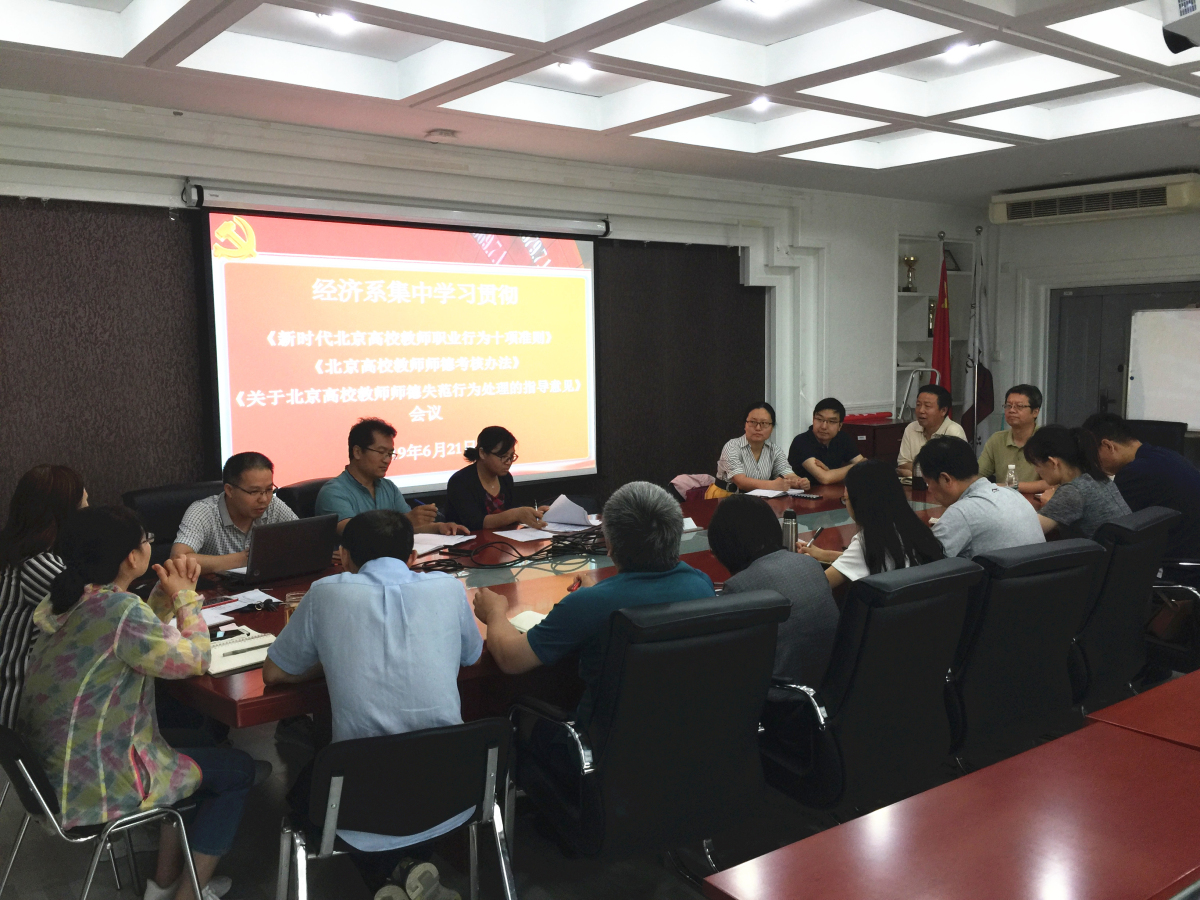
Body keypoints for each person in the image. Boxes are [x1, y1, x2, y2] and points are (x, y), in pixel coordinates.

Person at [20, 506, 262, 900]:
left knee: (198, 740)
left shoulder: (69, 600)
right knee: (238, 770)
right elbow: (196, 659)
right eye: (146, 539)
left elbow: (132, 639)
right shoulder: (118, 610)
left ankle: (162, 885)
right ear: (132, 557)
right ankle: (188, 894)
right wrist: (186, 599)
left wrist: (161, 600)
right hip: (97, 783)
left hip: (54, 771)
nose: (151, 544)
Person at [263, 509, 481, 897]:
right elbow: (471, 655)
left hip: (361, 793)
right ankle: (408, 871)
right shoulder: (448, 588)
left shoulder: (325, 593)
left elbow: (274, 673)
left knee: (304, 795)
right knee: (387, 780)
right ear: (412, 557)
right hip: (450, 786)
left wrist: (333, 657)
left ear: (344, 557)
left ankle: (391, 873)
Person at [472, 481, 714, 731]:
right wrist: (595, 595)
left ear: (609, 545)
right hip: (688, 734)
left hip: (602, 741)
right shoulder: (700, 586)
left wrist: (494, 612)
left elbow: (511, 659)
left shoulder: (586, 605)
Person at [707, 494, 839, 686]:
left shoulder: (738, 588)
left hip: (784, 694)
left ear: (723, 548)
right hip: (833, 682)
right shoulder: (809, 563)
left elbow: (731, 659)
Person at [0, 465, 87, 729]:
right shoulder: (38, 565)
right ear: (65, 515)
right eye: (84, 507)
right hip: (13, 709)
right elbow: (102, 617)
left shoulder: (13, 552)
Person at [800, 459, 945, 589]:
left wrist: (803, 565)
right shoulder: (916, 530)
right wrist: (824, 554)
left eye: (845, 499)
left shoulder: (868, 541)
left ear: (860, 504)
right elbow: (870, 557)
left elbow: (817, 588)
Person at [315, 418, 468, 536]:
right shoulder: (334, 492)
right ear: (357, 452)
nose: (387, 460)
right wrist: (405, 520)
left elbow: (410, 527)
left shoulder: (388, 487)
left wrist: (439, 528)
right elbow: (354, 532)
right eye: (381, 452)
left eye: (390, 454)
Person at [1082, 412, 1200, 559]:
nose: (1093, 464)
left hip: (1176, 564)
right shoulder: (1165, 455)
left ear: (1107, 446)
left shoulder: (1134, 473)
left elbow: (1103, 528)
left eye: (1092, 455)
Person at [915, 436, 1044, 559]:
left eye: (928, 483)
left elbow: (920, 561)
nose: (929, 490)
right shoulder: (1013, 494)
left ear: (945, 479)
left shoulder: (962, 512)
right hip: (1039, 574)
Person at [171, 452, 297, 574]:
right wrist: (242, 560)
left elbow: (302, 540)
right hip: (215, 587)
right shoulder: (203, 511)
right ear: (229, 490)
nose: (264, 499)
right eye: (254, 492)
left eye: (269, 489)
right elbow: (178, 559)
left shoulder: (272, 505)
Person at [1022, 425, 1130, 539]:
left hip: (1096, 550)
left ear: (1052, 462)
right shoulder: (1099, 479)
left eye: (1037, 465)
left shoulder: (1073, 491)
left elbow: (1027, 531)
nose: (1036, 470)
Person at [444, 426, 548, 531]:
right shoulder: (460, 481)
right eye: (503, 456)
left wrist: (534, 514)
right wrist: (516, 514)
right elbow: (476, 523)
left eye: (511, 457)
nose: (508, 462)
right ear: (482, 453)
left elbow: (513, 515)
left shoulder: (506, 478)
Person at [716, 402, 811, 493]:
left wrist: (799, 481)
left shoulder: (775, 450)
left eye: (764, 423)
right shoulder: (732, 446)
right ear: (745, 425)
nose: (758, 428)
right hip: (726, 497)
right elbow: (741, 481)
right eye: (753, 422)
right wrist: (773, 485)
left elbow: (787, 473)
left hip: (759, 498)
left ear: (772, 428)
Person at [976, 384, 1048, 494]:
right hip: (1003, 501)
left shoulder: (1046, 440)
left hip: (1035, 502)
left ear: (1035, 412)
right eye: (1008, 406)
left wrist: (1011, 487)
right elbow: (978, 475)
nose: (1012, 410)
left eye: (1019, 406)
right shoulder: (997, 439)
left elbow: (1052, 482)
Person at [787, 398, 865, 485]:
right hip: (804, 492)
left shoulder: (843, 438)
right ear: (813, 419)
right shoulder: (801, 441)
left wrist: (832, 473)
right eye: (819, 419)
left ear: (840, 426)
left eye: (831, 421)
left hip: (831, 491)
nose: (824, 426)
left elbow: (866, 468)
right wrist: (857, 466)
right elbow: (825, 478)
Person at [896, 384, 967, 477]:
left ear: (943, 410)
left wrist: (915, 473)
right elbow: (903, 464)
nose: (921, 410)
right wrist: (931, 473)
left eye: (927, 406)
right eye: (918, 405)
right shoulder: (911, 428)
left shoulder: (954, 432)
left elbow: (954, 472)